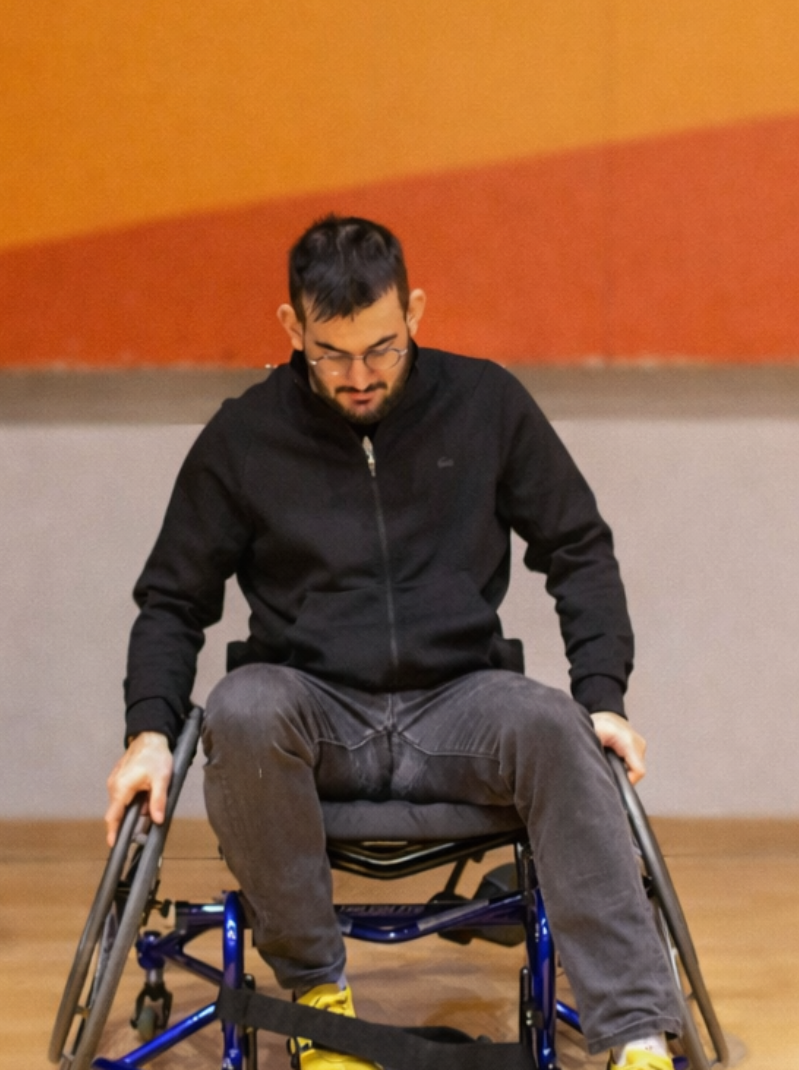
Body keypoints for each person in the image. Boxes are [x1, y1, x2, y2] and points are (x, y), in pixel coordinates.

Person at [104, 215, 685, 1070]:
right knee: (242, 706)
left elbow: (579, 549)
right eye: (331, 353)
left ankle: (635, 1032)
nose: (360, 376)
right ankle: (319, 1004)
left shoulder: (486, 404)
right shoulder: (243, 437)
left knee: (556, 725)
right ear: (291, 328)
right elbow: (171, 598)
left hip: (460, 703)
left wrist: (603, 695)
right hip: (315, 711)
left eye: (382, 347)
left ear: (414, 310)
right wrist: (149, 733)